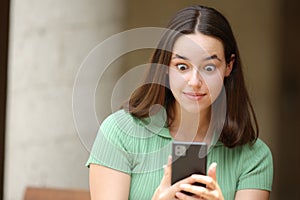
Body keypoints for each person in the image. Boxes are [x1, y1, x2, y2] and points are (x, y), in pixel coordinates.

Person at [86, 5, 273, 200]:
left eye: (209, 67)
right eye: (182, 66)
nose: (194, 81)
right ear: (166, 66)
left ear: (229, 66)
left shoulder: (254, 157)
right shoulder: (119, 133)